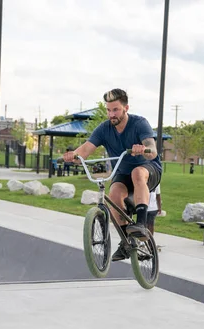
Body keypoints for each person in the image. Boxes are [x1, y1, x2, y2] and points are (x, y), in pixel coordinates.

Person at [62, 88, 162, 261]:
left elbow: (152, 151)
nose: (111, 114)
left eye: (115, 110)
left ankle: (141, 224)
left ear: (126, 108)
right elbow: (84, 151)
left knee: (137, 173)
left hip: (147, 169)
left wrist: (142, 150)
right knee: (114, 193)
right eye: (108, 110)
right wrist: (73, 156)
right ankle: (125, 243)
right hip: (122, 173)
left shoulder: (140, 124)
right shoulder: (104, 129)